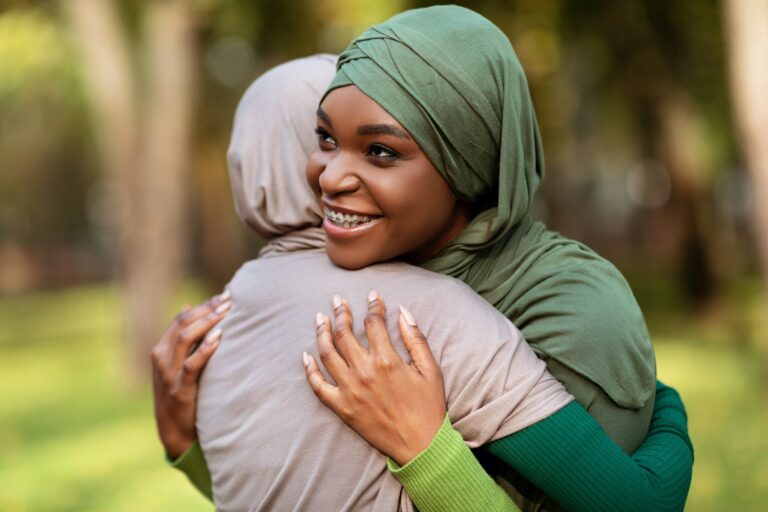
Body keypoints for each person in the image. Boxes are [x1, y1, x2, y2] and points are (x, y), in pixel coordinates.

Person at [152, 44, 692, 512]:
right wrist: (667, 405)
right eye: (326, 138)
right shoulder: (422, 316)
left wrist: (182, 444)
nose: (338, 170)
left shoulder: (215, 329)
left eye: (377, 147)